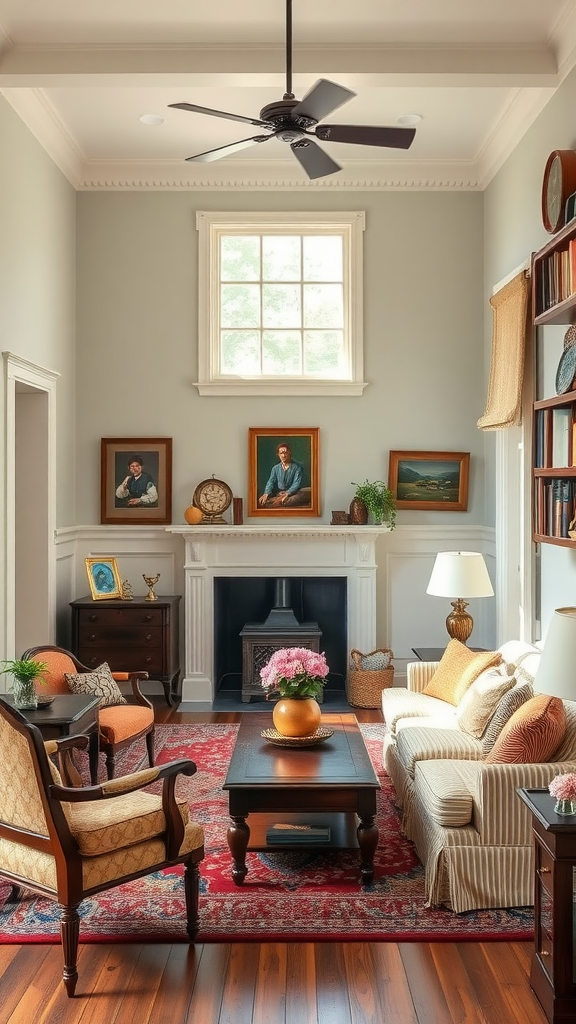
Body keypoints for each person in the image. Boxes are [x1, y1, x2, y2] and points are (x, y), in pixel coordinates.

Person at [258, 442, 310, 507]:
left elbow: (296, 483)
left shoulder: (297, 467)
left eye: (285, 453)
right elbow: (270, 481)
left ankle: (280, 501)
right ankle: (278, 500)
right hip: (280, 493)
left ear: (289, 453)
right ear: (278, 454)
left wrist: (287, 493)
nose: (283, 455)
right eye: (281, 453)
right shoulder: (275, 468)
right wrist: (266, 493)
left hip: (294, 493)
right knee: (264, 500)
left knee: (294, 499)